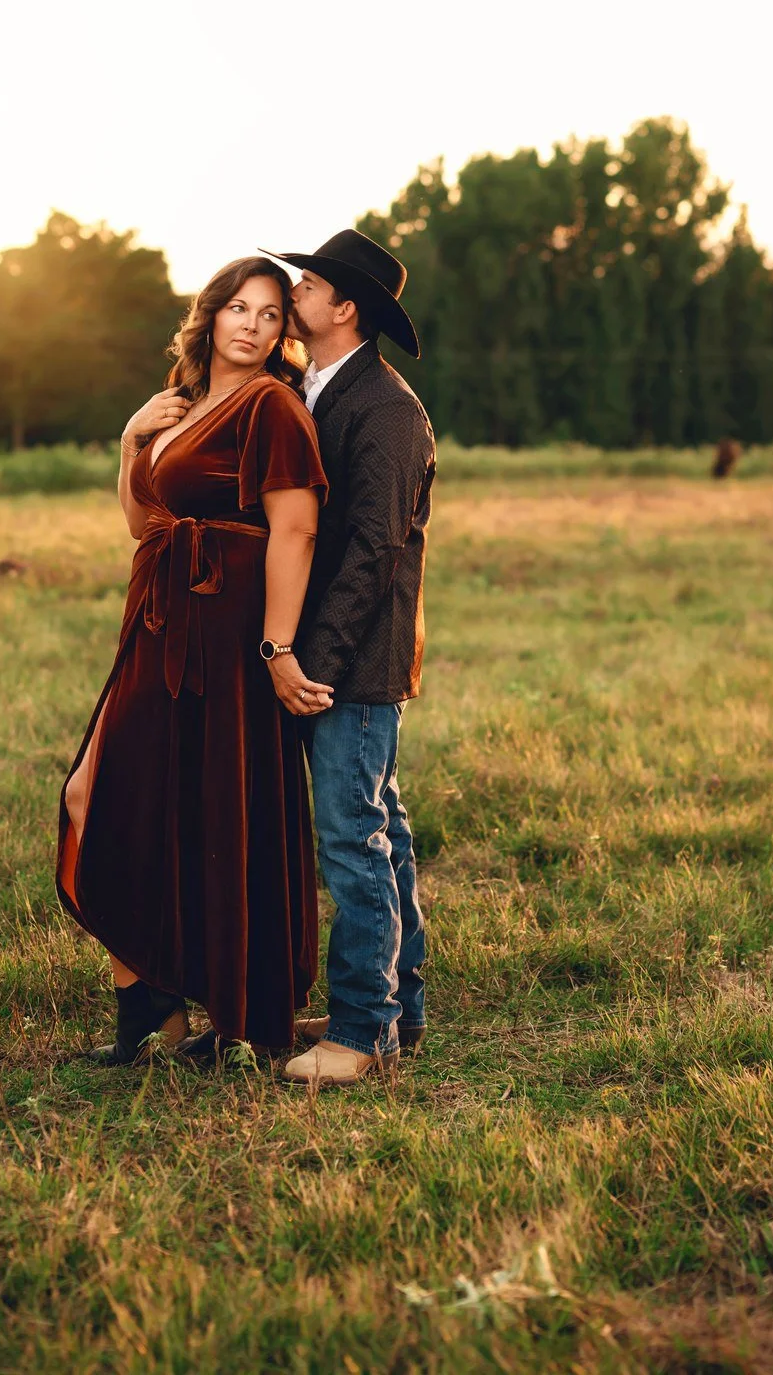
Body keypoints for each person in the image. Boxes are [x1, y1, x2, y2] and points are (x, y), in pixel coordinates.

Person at [56, 257, 333, 1067]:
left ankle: (227, 1013)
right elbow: (146, 525)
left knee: (216, 813)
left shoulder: (272, 408)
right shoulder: (180, 403)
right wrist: (129, 441)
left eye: (271, 315)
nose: (251, 325)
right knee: (94, 796)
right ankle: (148, 1008)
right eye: (238, 308)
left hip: (227, 635)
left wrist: (275, 648)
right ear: (209, 317)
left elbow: (296, 529)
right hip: (157, 618)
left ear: (284, 332)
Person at [264, 229, 436, 1087]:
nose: (294, 293)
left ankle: (363, 1035)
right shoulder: (318, 388)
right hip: (338, 659)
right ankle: (395, 1003)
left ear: (345, 309)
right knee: (381, 829)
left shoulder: (389, 411)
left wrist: (305, 661)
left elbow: (370, 551)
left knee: (352, 840)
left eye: (308, 285)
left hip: (353, 665)